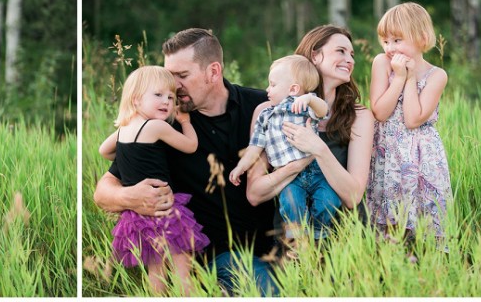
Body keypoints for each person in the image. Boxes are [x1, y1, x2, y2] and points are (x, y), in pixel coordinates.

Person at [93, 28, 277, 296]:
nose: (173, 88)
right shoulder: (161, 124)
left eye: (182, 76)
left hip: (279, 246)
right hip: (213, 256)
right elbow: (103, 190)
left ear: (213, 72)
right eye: (169, 77)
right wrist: (131, 196)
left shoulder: (261, 105)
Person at [245, 26, 374, 247]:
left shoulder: (359, 116)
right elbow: (255, 194)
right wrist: (294, 167)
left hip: (346, 242)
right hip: (293, 240)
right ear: (315, 55)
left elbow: (354, 196)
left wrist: (318, 148)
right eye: (341, 51)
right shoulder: (269, 112)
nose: (349, 60)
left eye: (352, 54)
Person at [97, 65, 209, 294]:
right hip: (164, 208)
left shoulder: (123, 130)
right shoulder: (156, 126)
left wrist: (127, 155)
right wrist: (186, 122)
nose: (167, 102)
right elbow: (191, 146)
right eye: (158, 95)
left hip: (137, 215)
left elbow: (104, 151)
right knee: (181, 264)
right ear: (136, 100)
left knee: (155, 269)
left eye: (170, 96)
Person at [229, 55, 340, 241]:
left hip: (316, 170)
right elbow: (255, 146)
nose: (267, 89)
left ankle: (320, 235)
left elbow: (323, 111)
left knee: (328, 200)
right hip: (289, 177)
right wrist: (241, 167)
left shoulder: (303, 104)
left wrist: (309, 100)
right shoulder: (265, 115)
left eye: (272, 85)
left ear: (293, 89)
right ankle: (297, 241)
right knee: (291, 203)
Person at [368, 2, 452, 243]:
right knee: (388, 221)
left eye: (397, 40)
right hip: (388, 150)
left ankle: (424, 263)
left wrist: (411, 77)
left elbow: (413, 118)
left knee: (422, 216)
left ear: (421, 38)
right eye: (385, 41)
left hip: (420, 153)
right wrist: (400, 77)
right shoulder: (382, 63)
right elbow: (381, 113)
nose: (390, 48)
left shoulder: (437, 75)